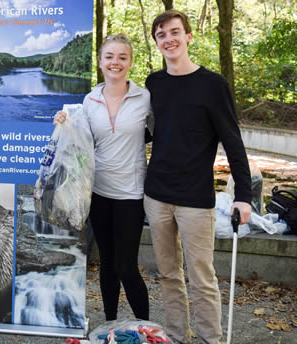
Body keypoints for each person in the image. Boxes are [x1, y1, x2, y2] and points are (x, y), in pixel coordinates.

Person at [144, 10, 252, 344]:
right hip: (156, 194)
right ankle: (177, 336)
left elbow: (232, 141)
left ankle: (209, 340)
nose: (169, 39)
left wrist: (243, 195)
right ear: (157, 42)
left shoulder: (213, 85)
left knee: (201, 277)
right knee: (167, 275)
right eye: (161, 35)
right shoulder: (154, 83)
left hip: (195, 198)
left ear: (189, 36)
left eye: (175, 32)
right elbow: (143, 133)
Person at [53, 34, 150, 321]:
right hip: (97, 193)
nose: (115, 62)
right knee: (107, 262)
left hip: (131, 194)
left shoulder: (145, 98)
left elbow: (164, 131)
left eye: (122, 57)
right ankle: (110, 324)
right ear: (100, 61)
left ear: (130, 62)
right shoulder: (90, 99)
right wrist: (64, 122)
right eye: (109, 56)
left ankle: (144, 326)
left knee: (126, 266)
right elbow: (81, 141)